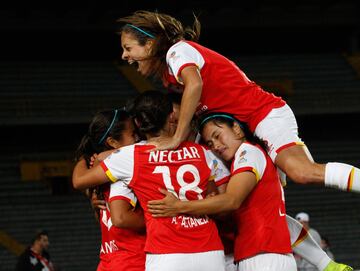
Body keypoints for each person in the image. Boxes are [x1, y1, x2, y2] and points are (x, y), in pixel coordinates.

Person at [117, 10, 360, 193]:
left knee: (302, 172)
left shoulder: (177, 52)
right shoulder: (167, 73)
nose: (124, 55)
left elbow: (196, 85)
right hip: (246, 127)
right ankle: (325, 264)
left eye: (128, 48)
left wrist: (177, 138)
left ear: (149, 44)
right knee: (260, 199)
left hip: (263, 114)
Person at [148, 112, 353, 271]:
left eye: (218, 136)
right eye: (210, 143)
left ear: (237, 129)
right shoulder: (246, 157)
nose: (216, 146)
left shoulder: (248, 152)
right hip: (263, 256)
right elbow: (285, 222)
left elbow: (231, 201)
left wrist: (179, 206)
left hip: (264, 257)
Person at [72, 90, 230, 271]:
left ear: (138, 123)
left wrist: (89, 157)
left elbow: (80, 181)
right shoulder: (201, 152)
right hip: (210, 250)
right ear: (172, 116)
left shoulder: (131, 156)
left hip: (167, 251)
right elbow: (213, 195)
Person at [73, 109, 146, 271]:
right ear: (113, 142)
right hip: (130, 260)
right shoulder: (124, 166)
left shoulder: (97, 168)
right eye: (133, 134)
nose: (138, 138)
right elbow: (118, 218)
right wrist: (162, 221)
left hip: (112, 260)